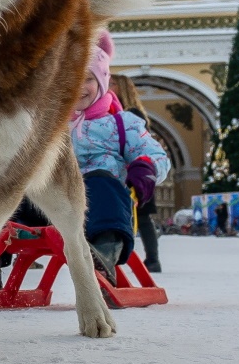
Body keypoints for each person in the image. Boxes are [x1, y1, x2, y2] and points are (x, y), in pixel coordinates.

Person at [68, 32, 170, 285]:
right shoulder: (49, 124)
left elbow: (158, 155)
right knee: (18, 192)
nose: (79, 87)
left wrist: (146, 167)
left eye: (88, 79)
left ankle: (104, 251)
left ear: (102, 81)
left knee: (100, 180)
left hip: (99, 205)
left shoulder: (123, 124)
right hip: (54, 202)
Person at [109, 74, 164, 273]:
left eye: (111, 83)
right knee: (141, 217)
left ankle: (152, 259)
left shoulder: (131, 114)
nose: (106, 86)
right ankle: (149, 259)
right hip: (131, 172)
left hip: (134, 173)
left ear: (122, 88)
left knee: (141, 217)